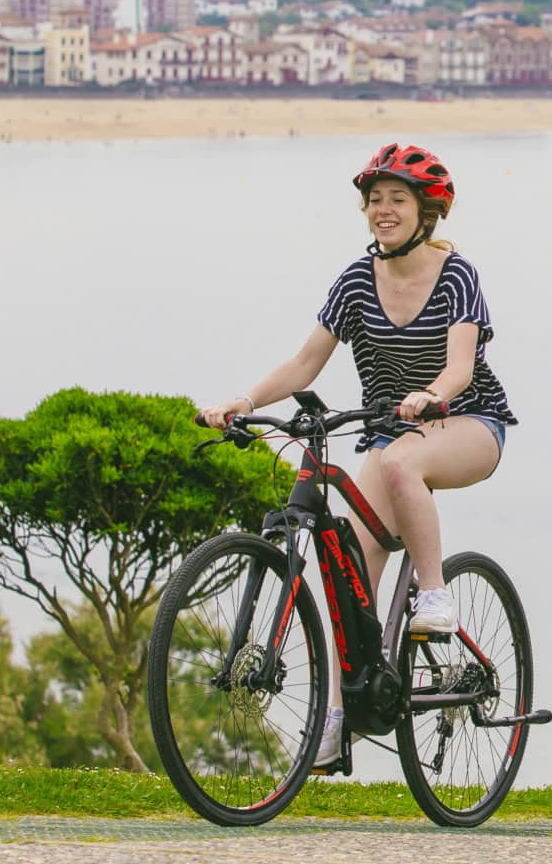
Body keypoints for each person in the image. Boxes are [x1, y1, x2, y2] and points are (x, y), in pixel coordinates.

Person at [197, 141, 517, 767]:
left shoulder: (457, 276)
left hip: (469, 424)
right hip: (386, 431)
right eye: (375, 201)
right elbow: (303, 363)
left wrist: (429, 397)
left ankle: (434, 597)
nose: (383, 210)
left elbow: (458, 370)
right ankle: (341, 717)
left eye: (398, 200)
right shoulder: (354, 281)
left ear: (427, 212)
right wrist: (242, 400)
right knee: (350, 573)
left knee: (402, 463)